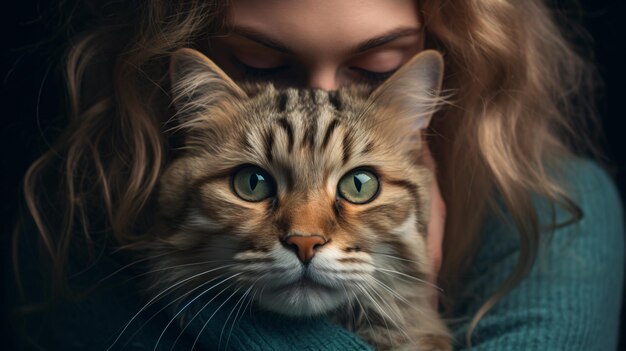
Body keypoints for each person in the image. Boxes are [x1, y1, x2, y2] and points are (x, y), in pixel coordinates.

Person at [9, 0, 624, 350]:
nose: (306, 235)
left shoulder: (565, 208)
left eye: (376, 65)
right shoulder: (73, 228)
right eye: (261, 64)